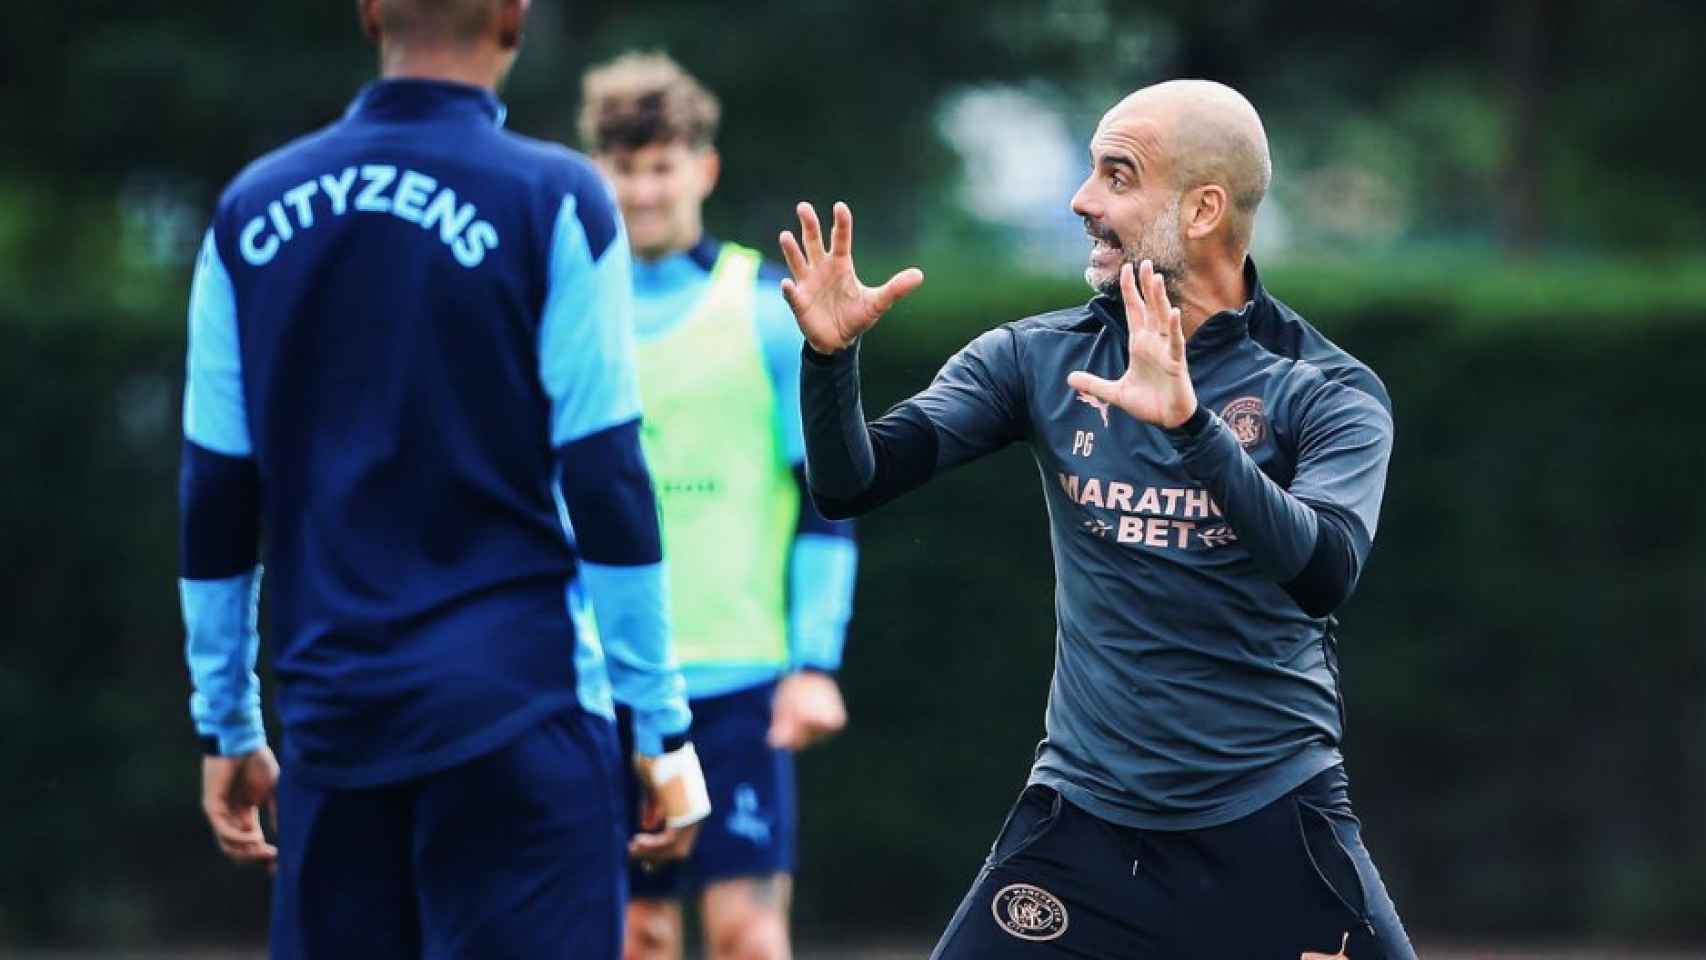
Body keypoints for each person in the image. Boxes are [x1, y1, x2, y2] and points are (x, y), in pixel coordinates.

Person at [778, 79, 1416, 959]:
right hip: (1085, 827)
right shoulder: (1038, 356)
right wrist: (829, 359)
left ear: (1202, 209)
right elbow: (854, 483)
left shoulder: (1327, 389)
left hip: (1269, 820)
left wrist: (1193, 429)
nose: (1083, 201)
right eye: (1090, 172)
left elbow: (1324, 571)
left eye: (1118, 177)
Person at [176, 3, 709, 957]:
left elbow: (217, 491)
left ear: (369, 10)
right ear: (515, 16)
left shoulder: (250, 209)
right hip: (520, 715)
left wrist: (224, 721)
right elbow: (606, 476)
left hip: (334, 727)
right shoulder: (555, 196)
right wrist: (659, 723)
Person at [576, 52, 859, 960]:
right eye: (625, 166)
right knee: (634, 935)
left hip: (738, 684)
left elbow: (829, 498)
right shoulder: (569, 315)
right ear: (597, 174)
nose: (644, 188)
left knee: (746, 937)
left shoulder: (764, 310)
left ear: (702, 167)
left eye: (662, 164)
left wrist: (815, 660)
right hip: (598, 681)